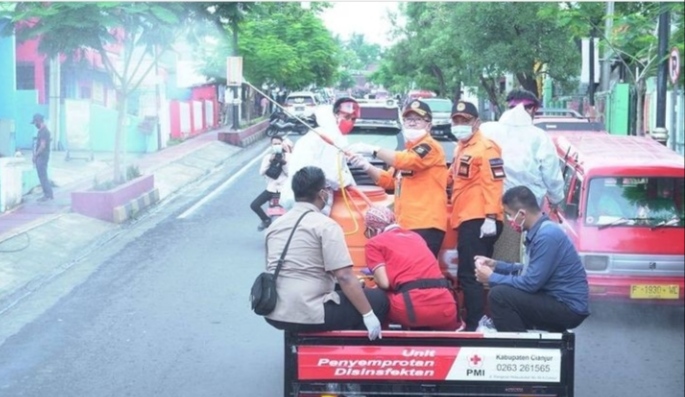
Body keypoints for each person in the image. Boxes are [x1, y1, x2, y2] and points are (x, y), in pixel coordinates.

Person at [264, 166, 389, 340]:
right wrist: (368, 315)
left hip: (275, 311)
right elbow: (344, 276)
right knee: (378, 300)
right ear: (322, 193)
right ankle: (353, 357)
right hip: (309, 313)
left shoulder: (275, 226)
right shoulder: (325, 225)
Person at [474, 185, 590, 332]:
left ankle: (518, 350)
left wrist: (492, 277)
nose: (509, 220)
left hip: (568, 307)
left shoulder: (547, 236)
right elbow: (530, 270)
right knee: (503, 291)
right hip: (556, 299)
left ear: (522, 214)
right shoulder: (541, 232)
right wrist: (496, 265)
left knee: (499, 295)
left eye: (509, 214)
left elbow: (530, 283)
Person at [347, 100, 448, 258]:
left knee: (417, 275)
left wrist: (373, 149)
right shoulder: (408, 151)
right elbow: (388, 181)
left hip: (425, 224)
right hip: (407, 224)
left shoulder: (430, 147)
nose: (412, 123)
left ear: (428, 125)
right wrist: (366, 166)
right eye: (408, 120)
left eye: (417, 120)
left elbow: (407, 161)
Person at [480, 89, 565, 264]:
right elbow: (551, 175)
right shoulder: (539, 137)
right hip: (523, 209)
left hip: (484, 204)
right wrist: (556, 200)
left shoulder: (486, 130)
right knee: (514, 259)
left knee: (486, 255)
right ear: (533, 110)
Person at [447, 100, 505, 331]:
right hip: (467, 217)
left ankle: (476, 322)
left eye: (465, 121)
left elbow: (495, 182)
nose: (460, 124)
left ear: (477, 122)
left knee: (471, 274)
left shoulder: (487, 148)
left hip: (481, 219)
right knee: (469, 272)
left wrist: (490, 216)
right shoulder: (461, 147)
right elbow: (453, 178)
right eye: (456, 120)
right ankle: (476, 319)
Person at [363, 206, 460, 331]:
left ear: (371, 229)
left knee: (373, 297)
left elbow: (384, 283)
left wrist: (375, 277)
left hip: (411, 310)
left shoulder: (374, 243)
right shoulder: (416, 236)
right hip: (446, 308)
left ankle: (379, 341)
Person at [280, 97, 361, 216]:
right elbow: (333, 174)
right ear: (335, 115)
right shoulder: (329, 137)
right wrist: (350, 183)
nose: (350, 122)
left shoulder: (317, 134)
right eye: (347, 117)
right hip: (312, 199)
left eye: (353, 119)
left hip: (300, 196)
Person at [250, 136, 290, 231]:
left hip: (284, 190)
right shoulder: (267, 157)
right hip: (271, 189)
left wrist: (283, 163)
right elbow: (261, 172)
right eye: (274, 144)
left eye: (278, 144)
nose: (277, 146)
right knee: (254, 205)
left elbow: (290, 173)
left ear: (282, 144)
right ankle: (266, 220)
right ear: (271, 146)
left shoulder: (289, 157)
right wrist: (270, 161)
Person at [31, 113, 54, 201]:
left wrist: (35, 155)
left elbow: (42, 145)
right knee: (42, 175)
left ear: (38, 121)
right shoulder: (42, 131)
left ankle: (47, 194)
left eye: (35, 122)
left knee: (42, 176)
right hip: (42, 156)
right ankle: (48, 194)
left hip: (42, 156)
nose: (35, 125)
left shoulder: (44, 131)